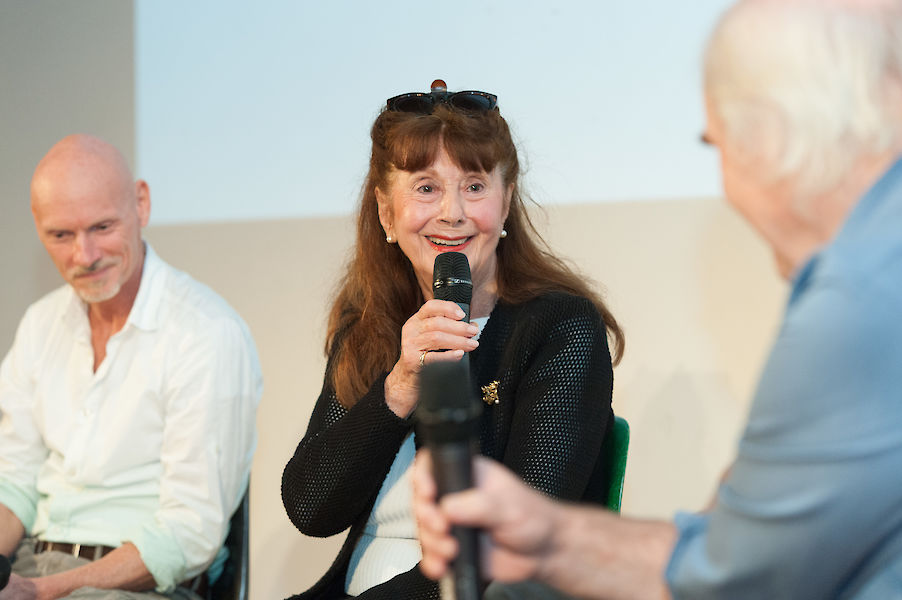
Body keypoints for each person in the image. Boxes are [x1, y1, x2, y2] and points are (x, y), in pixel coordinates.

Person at [413, 1, 902, 598]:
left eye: (713, 143)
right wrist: (547, 535)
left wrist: (552, 539)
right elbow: (734, 547)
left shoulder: (856, 306)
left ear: (767, 134)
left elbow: (732, 578)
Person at [280, 80, 624, 599]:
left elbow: (510, 543)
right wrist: (398, 386)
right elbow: (311, 507)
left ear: (506, 203)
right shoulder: (369, 326)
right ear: (385, 212)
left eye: (474, 186)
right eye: (425, 188)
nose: (452, 213)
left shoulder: (559, 327)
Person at [0, 134, 263, 599]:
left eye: (102, 227)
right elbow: (13, 482)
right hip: (28, 565)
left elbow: (188, 534)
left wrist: (43, 591)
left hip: (135, 586)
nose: (85, 256)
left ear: (140, 204)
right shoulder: (41, 324)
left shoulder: (206, 332)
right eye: (61, 235)